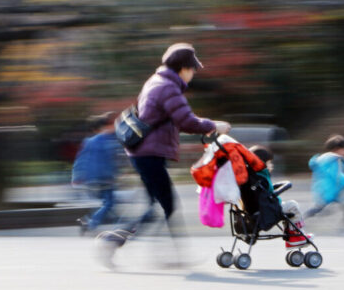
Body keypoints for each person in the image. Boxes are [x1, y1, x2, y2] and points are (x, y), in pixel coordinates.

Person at [95, 42, 230, 269]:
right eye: (192, 68)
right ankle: (168, 254)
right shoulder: (168, 87)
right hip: (149, 153)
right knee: (168, 205)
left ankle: (118, 241)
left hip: (143, 153)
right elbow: (186, 120)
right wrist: (214, 125)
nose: (194, 72)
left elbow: (176, 120)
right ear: (183, 67)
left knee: (155, 206)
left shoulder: (155, 82)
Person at [72, 112, 121, 235]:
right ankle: (90, 223)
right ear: (105, 127)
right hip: (104, 177)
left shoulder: (88, 141)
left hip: (92, 178)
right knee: (109, 203)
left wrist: (77, 176)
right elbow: (114, 158)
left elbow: (80, 159)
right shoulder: (108, 140)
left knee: (105, 203)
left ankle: (90, 220)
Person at [249, 145, 307, 248]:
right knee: (293, 206)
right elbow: (269, 194)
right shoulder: (262, 178)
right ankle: (296, 236)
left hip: (254, 211)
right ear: (262, 164)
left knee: (288, 208)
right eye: (269, 163)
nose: (272, 165)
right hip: (267, 211)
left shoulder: (251, 177)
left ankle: (292, 234)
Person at [304, 134, 344, 234]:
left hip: (323, 189)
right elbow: (336, 176)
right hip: (331, 190)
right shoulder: (335, 159)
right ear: (338, 149)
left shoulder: (322, 159)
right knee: (322, 209)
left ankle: (303, 223)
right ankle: (301, 222)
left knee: (340, 206)